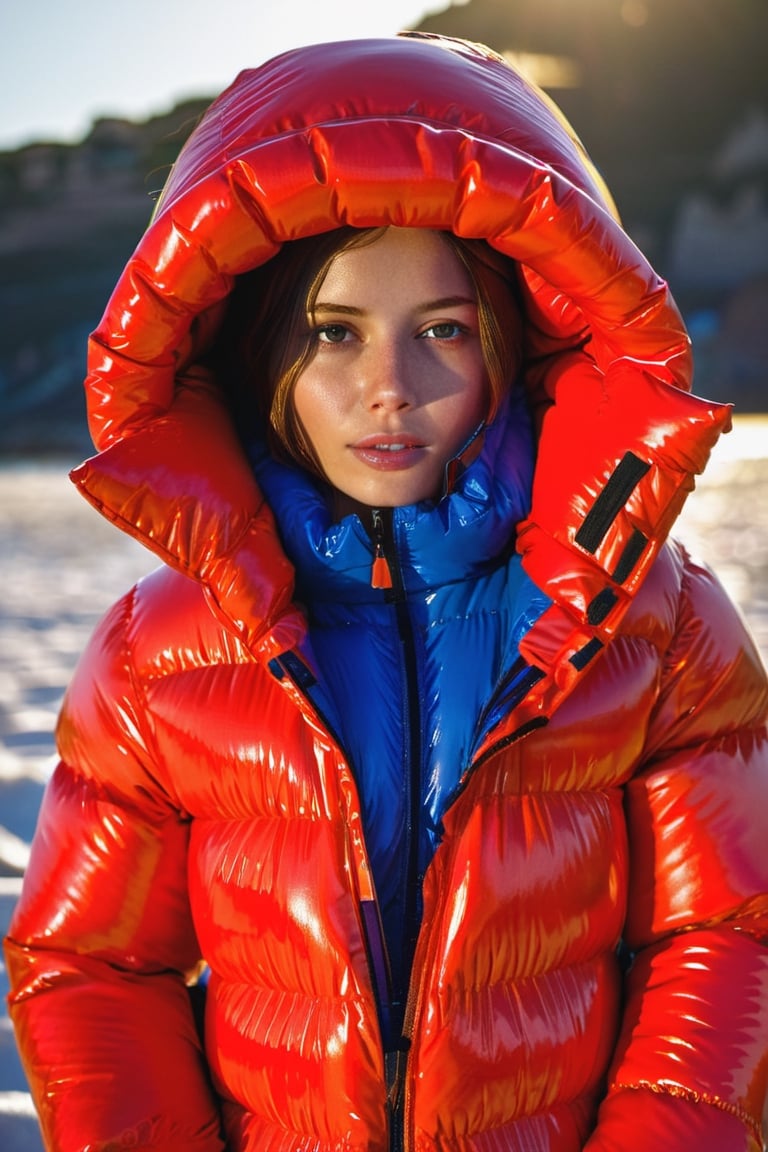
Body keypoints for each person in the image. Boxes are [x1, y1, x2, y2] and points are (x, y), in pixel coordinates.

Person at [4, 31, 768, 1152]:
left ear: (515, 338)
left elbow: (725, 930)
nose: (389, 390)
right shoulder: (158, 653)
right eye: (333, 332)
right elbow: (93, 966)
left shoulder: (654, 625)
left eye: (443, 330)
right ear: (260, 350)